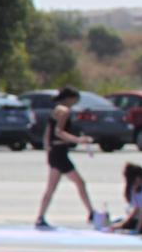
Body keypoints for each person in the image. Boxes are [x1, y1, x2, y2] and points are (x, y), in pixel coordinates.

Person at [34, 86, 96, 229]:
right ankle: (91, 212)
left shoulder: (56, 110)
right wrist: (80, 140)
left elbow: (48, 132)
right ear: (69, 98)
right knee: (79, 182)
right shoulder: (64, 111)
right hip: (60, 152)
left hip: (55, 152)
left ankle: (40, 216)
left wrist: (47, 150)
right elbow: (59, 132)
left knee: (51, 188)